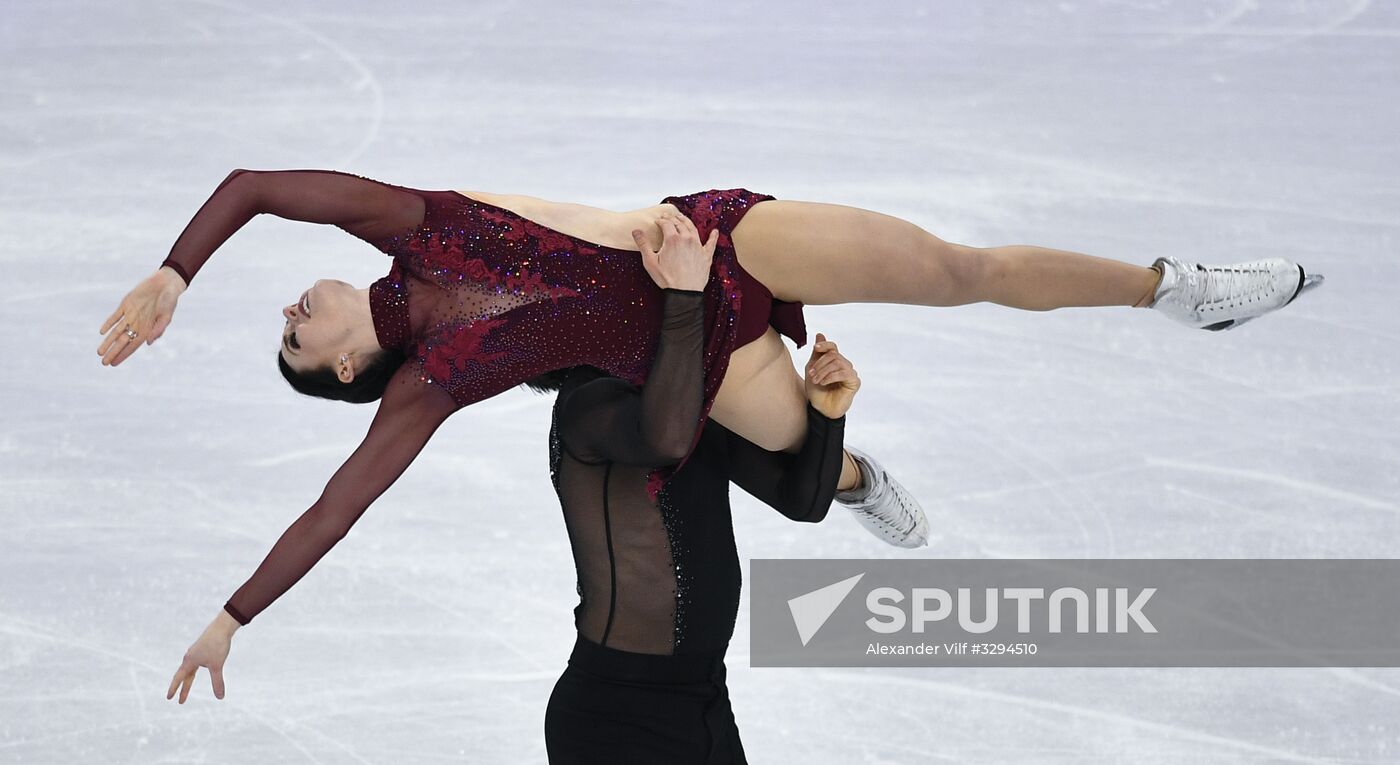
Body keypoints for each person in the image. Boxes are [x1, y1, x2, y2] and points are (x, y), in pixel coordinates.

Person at [136, 169, 1319, 699]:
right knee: (797, 464)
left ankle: (1174, 287)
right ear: (349, 367)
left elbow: (250, 184)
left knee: (953, 270)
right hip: (690, 347)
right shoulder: (425, 388)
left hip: (712, 243)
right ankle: (855, 472)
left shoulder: (408, 228)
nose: (293, 314)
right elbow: (337, 508)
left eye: (289, 314)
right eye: (297, 344)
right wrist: (234, 615)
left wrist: (175, 274)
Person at [540, 217, 859, 763]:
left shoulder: (688, 407)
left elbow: (801, 501)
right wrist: (683, 296)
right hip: (616, 716)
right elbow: (664, 440)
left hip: (701, 697)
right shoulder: (587, 405)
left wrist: (827, 415)